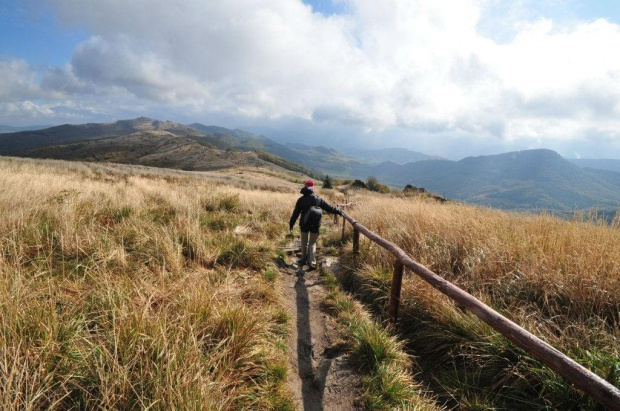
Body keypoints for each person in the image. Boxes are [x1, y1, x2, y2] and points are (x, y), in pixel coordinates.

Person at [289, 180, 342, 269]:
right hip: (315, 224)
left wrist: (291, 224)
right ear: (312, 188)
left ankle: (303, 259)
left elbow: (295, 213)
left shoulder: (301, 200)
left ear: (305, 187)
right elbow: (329, 208)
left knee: (304, 242)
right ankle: (312, 262)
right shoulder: (318, 199)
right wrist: (338, 211)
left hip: (304, 224)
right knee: (312, 243)